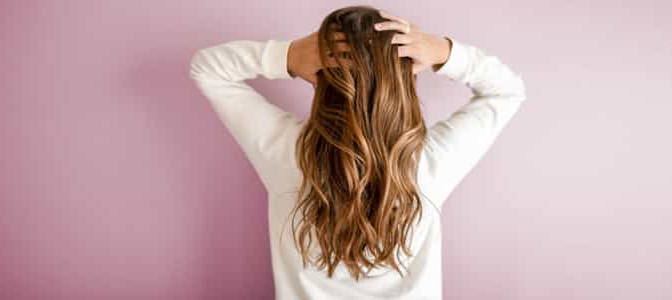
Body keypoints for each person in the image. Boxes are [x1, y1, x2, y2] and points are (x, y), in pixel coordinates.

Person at [189, 5, 526, 300]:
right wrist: (443, 52)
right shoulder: (428, 163)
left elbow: (207, 68)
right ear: (404, 79)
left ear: (319, 75)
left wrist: (288, 55)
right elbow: (507, 91)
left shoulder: (288, 154)